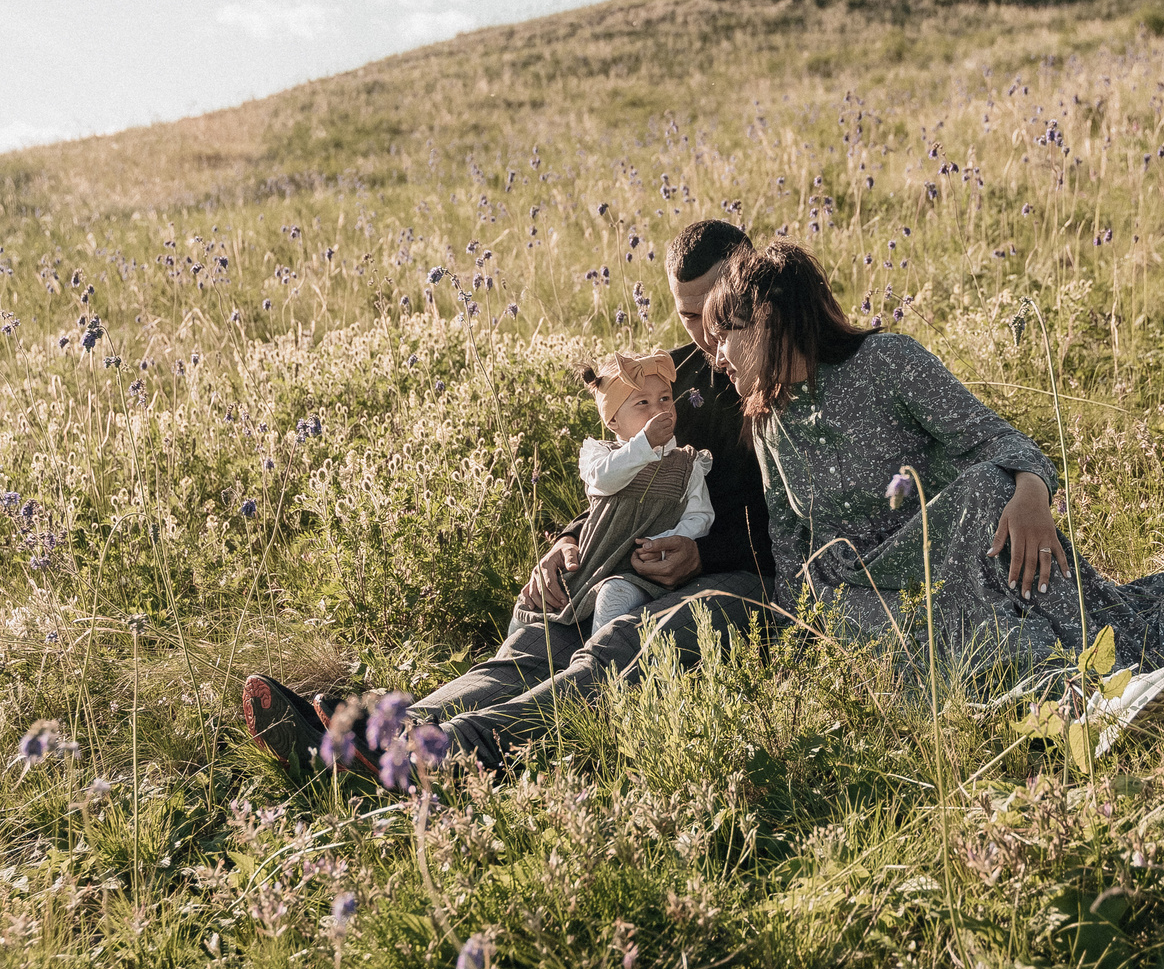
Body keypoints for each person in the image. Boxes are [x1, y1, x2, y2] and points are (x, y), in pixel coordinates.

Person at [242, 218, 775, 775]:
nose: (707, 335)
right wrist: (568, 541)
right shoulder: (668, 380)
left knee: (618, 642)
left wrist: (704, 555)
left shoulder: (783, 379)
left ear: (751, 285)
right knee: (540, 638)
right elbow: (623, 481)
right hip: (632, 559)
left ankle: (444, 752)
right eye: (689, 316)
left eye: (716, 312)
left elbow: (799, 525)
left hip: (739, 577)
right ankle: (368, 739)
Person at [704, 240, 1164, 668]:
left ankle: (1104, 678)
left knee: (992, 486)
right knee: (939, 644)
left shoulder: (886, 361)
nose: (716, 357)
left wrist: (1032, 494)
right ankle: (1072, 693)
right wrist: (798, 643)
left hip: (945, 557)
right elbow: (789, 542)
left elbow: (999, 440)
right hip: (857, 593)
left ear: (767, 317)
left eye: (724, 334)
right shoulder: (767, 420)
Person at [565, 350, 715, 633]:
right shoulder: (601, 455)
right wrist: (644, 444)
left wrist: (663, 543)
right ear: (613, 421)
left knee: (615, 596)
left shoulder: (687, 463)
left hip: (643, 571)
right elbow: (605, 480)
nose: (659, 410)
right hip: (594, 563)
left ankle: (599, 656)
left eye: (665, 398)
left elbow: (700, 515)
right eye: (642, 402)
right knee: (533, 608)